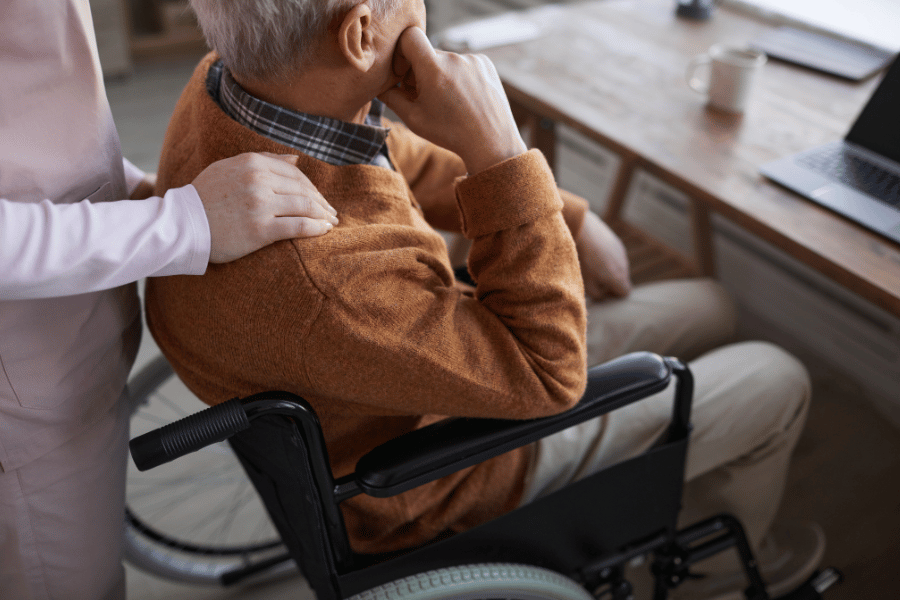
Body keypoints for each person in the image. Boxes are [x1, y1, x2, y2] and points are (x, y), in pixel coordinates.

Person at [146, 1, 824, 598]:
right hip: (446, 478)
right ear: (358, 33)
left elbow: (390, 160)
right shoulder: (324, 286)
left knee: (710, 303)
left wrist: (571, 217)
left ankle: (679, 493)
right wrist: (497, 148)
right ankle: (721, 580)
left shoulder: (229, 88)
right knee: (776, 374)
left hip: (395, 382)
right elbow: (547, 376)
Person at [0, 2, 339, 599]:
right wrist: (179, 225)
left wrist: (138, 197)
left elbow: (33, 112)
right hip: (26, 392)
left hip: (69, 342)